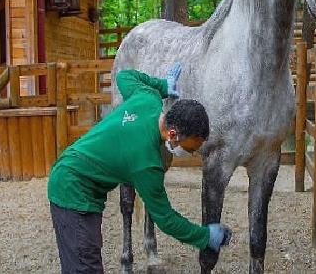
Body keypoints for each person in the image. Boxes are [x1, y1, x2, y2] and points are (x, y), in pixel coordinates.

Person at [47, 63, 231, 273]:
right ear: (172, 134)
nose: (190, 153)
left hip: (76, 177)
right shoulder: (146, 164)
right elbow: (166, 219)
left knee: (86, 256)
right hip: (72, 189)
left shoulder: (148, 99)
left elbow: (124, 76)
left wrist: (163, 85)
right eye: (189, 147)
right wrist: (205, 236)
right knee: (84, 267)